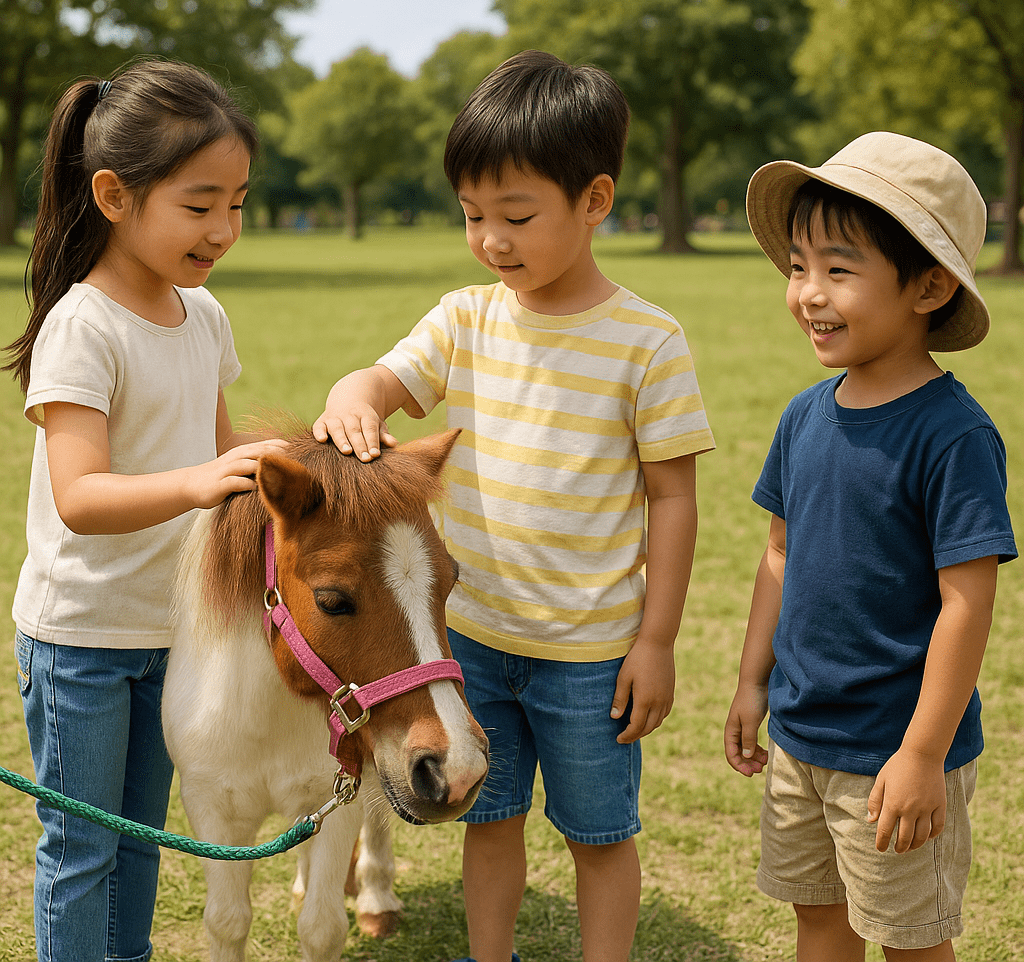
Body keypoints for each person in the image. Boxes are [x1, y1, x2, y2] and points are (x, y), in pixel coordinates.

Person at [314, 50, 715, 962]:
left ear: (595, 201)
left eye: (517, 215)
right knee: (484, 819)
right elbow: (386, 377)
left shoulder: (648, 343)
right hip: (474, 647)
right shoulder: (466, 318)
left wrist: (655, 641)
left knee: (598, 835)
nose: (492, 239)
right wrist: (355, 394)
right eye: (472, 216)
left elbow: (674, 498)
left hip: (590, 653)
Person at [4, 59, 285, 962]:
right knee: (81, 849)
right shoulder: (82, 325)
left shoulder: (203, 318)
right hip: (81, 639)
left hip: (173, 634)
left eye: (237, 203)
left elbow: (225, 466)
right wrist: (203, 482)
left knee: (142, 840)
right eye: (200, 204)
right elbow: (81, 497)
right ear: (115, 196)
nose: (224, 229)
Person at [725, 132, 1018, 961]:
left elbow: (967, 601)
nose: (809, 293)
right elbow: (779, 554)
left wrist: (923, 753)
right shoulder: (804, 415)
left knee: (908, 938)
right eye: (797, 266)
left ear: (927, 285)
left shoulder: (952, 434)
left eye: (839, 270)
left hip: (895, 750)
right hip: (802, 737)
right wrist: (753, 682)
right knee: (817, 919)